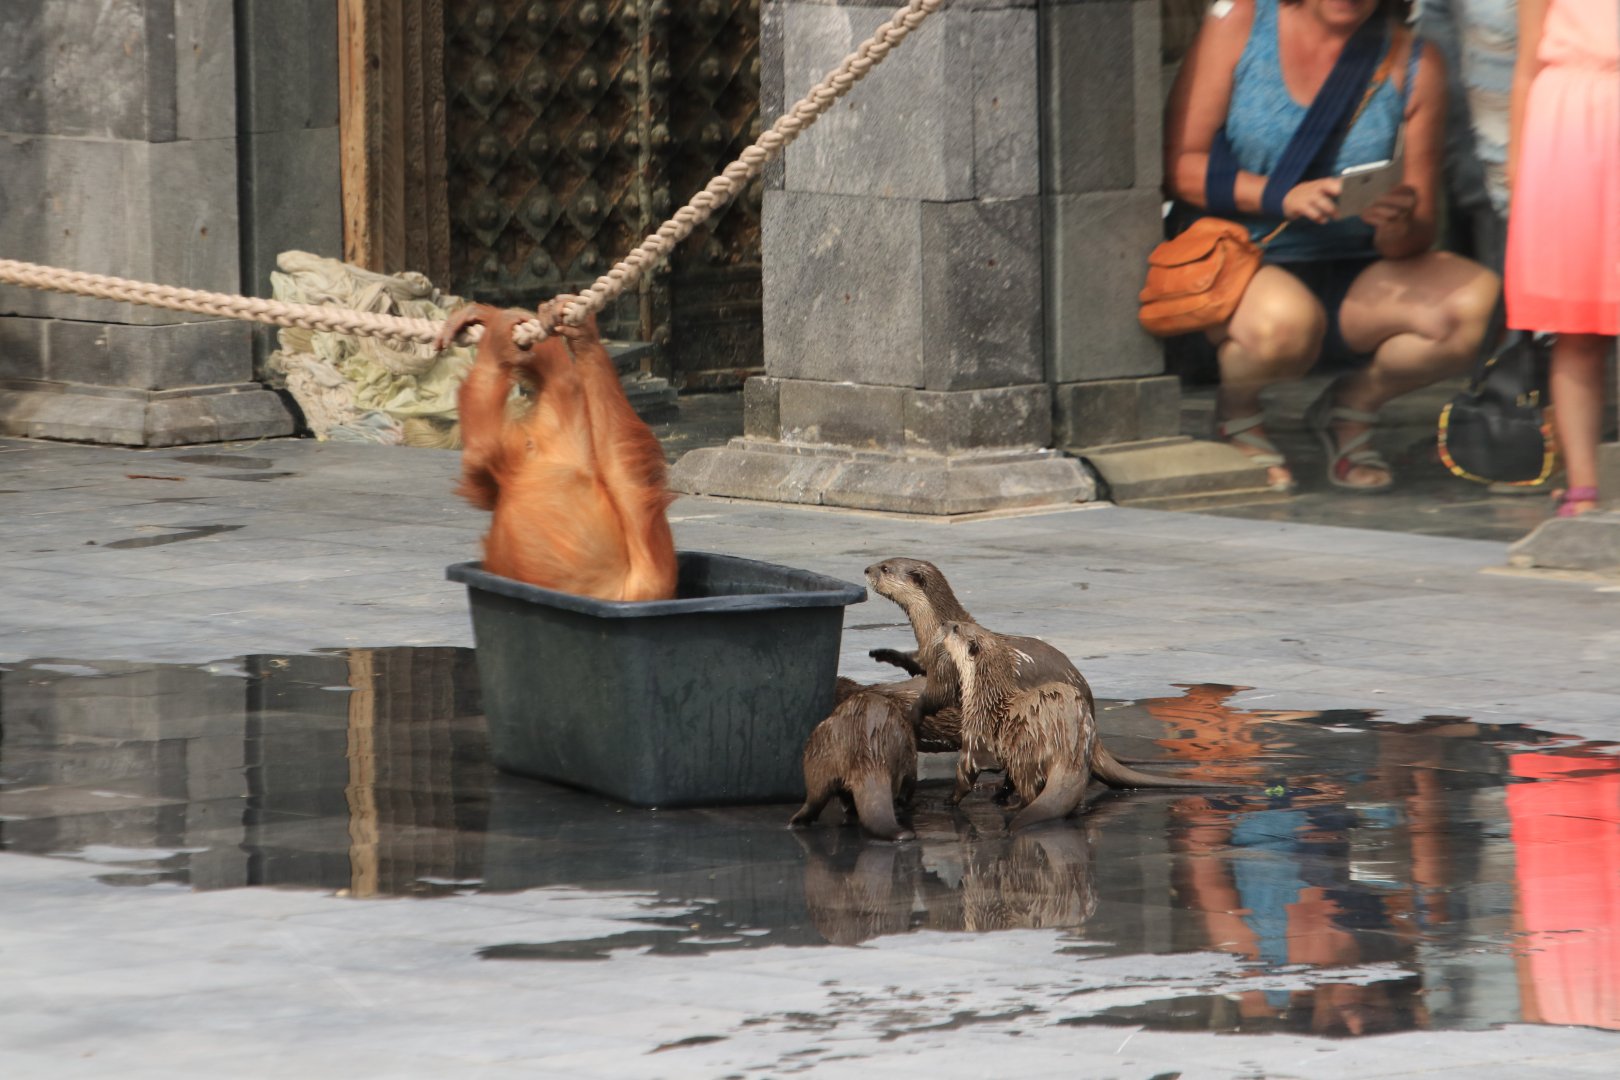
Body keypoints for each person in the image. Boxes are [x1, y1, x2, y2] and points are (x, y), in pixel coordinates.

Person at [1164, 0, 1501, 493]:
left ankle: (1350, 407)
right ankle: (1237, 413)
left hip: (1355, 271)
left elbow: (1421, 226)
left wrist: (1398, 222)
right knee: (1285, 323)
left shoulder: (1415, 60)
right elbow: (1180, 167)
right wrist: (1281, 196)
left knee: (1480, 306)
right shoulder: (1239, 20)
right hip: (1241, 261)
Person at [1504, 0, 1618, 518]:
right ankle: (1584, 485)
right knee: (1578, 327)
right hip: (1572, 132)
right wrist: (1518, 163)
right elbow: (1527, 64)